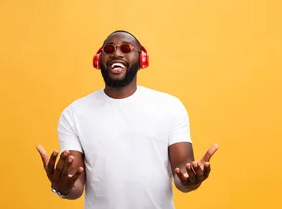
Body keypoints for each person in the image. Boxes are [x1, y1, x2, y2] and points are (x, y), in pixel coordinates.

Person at [36, 30, 218, 209]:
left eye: (126, 48)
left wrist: (192, 180)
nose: (116, 53)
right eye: (108, 49)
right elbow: (74, 185)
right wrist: (61, 187)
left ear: (142, 59)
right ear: (98, 61)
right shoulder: (74, 113)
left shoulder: (170, 106)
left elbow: (182, 172)